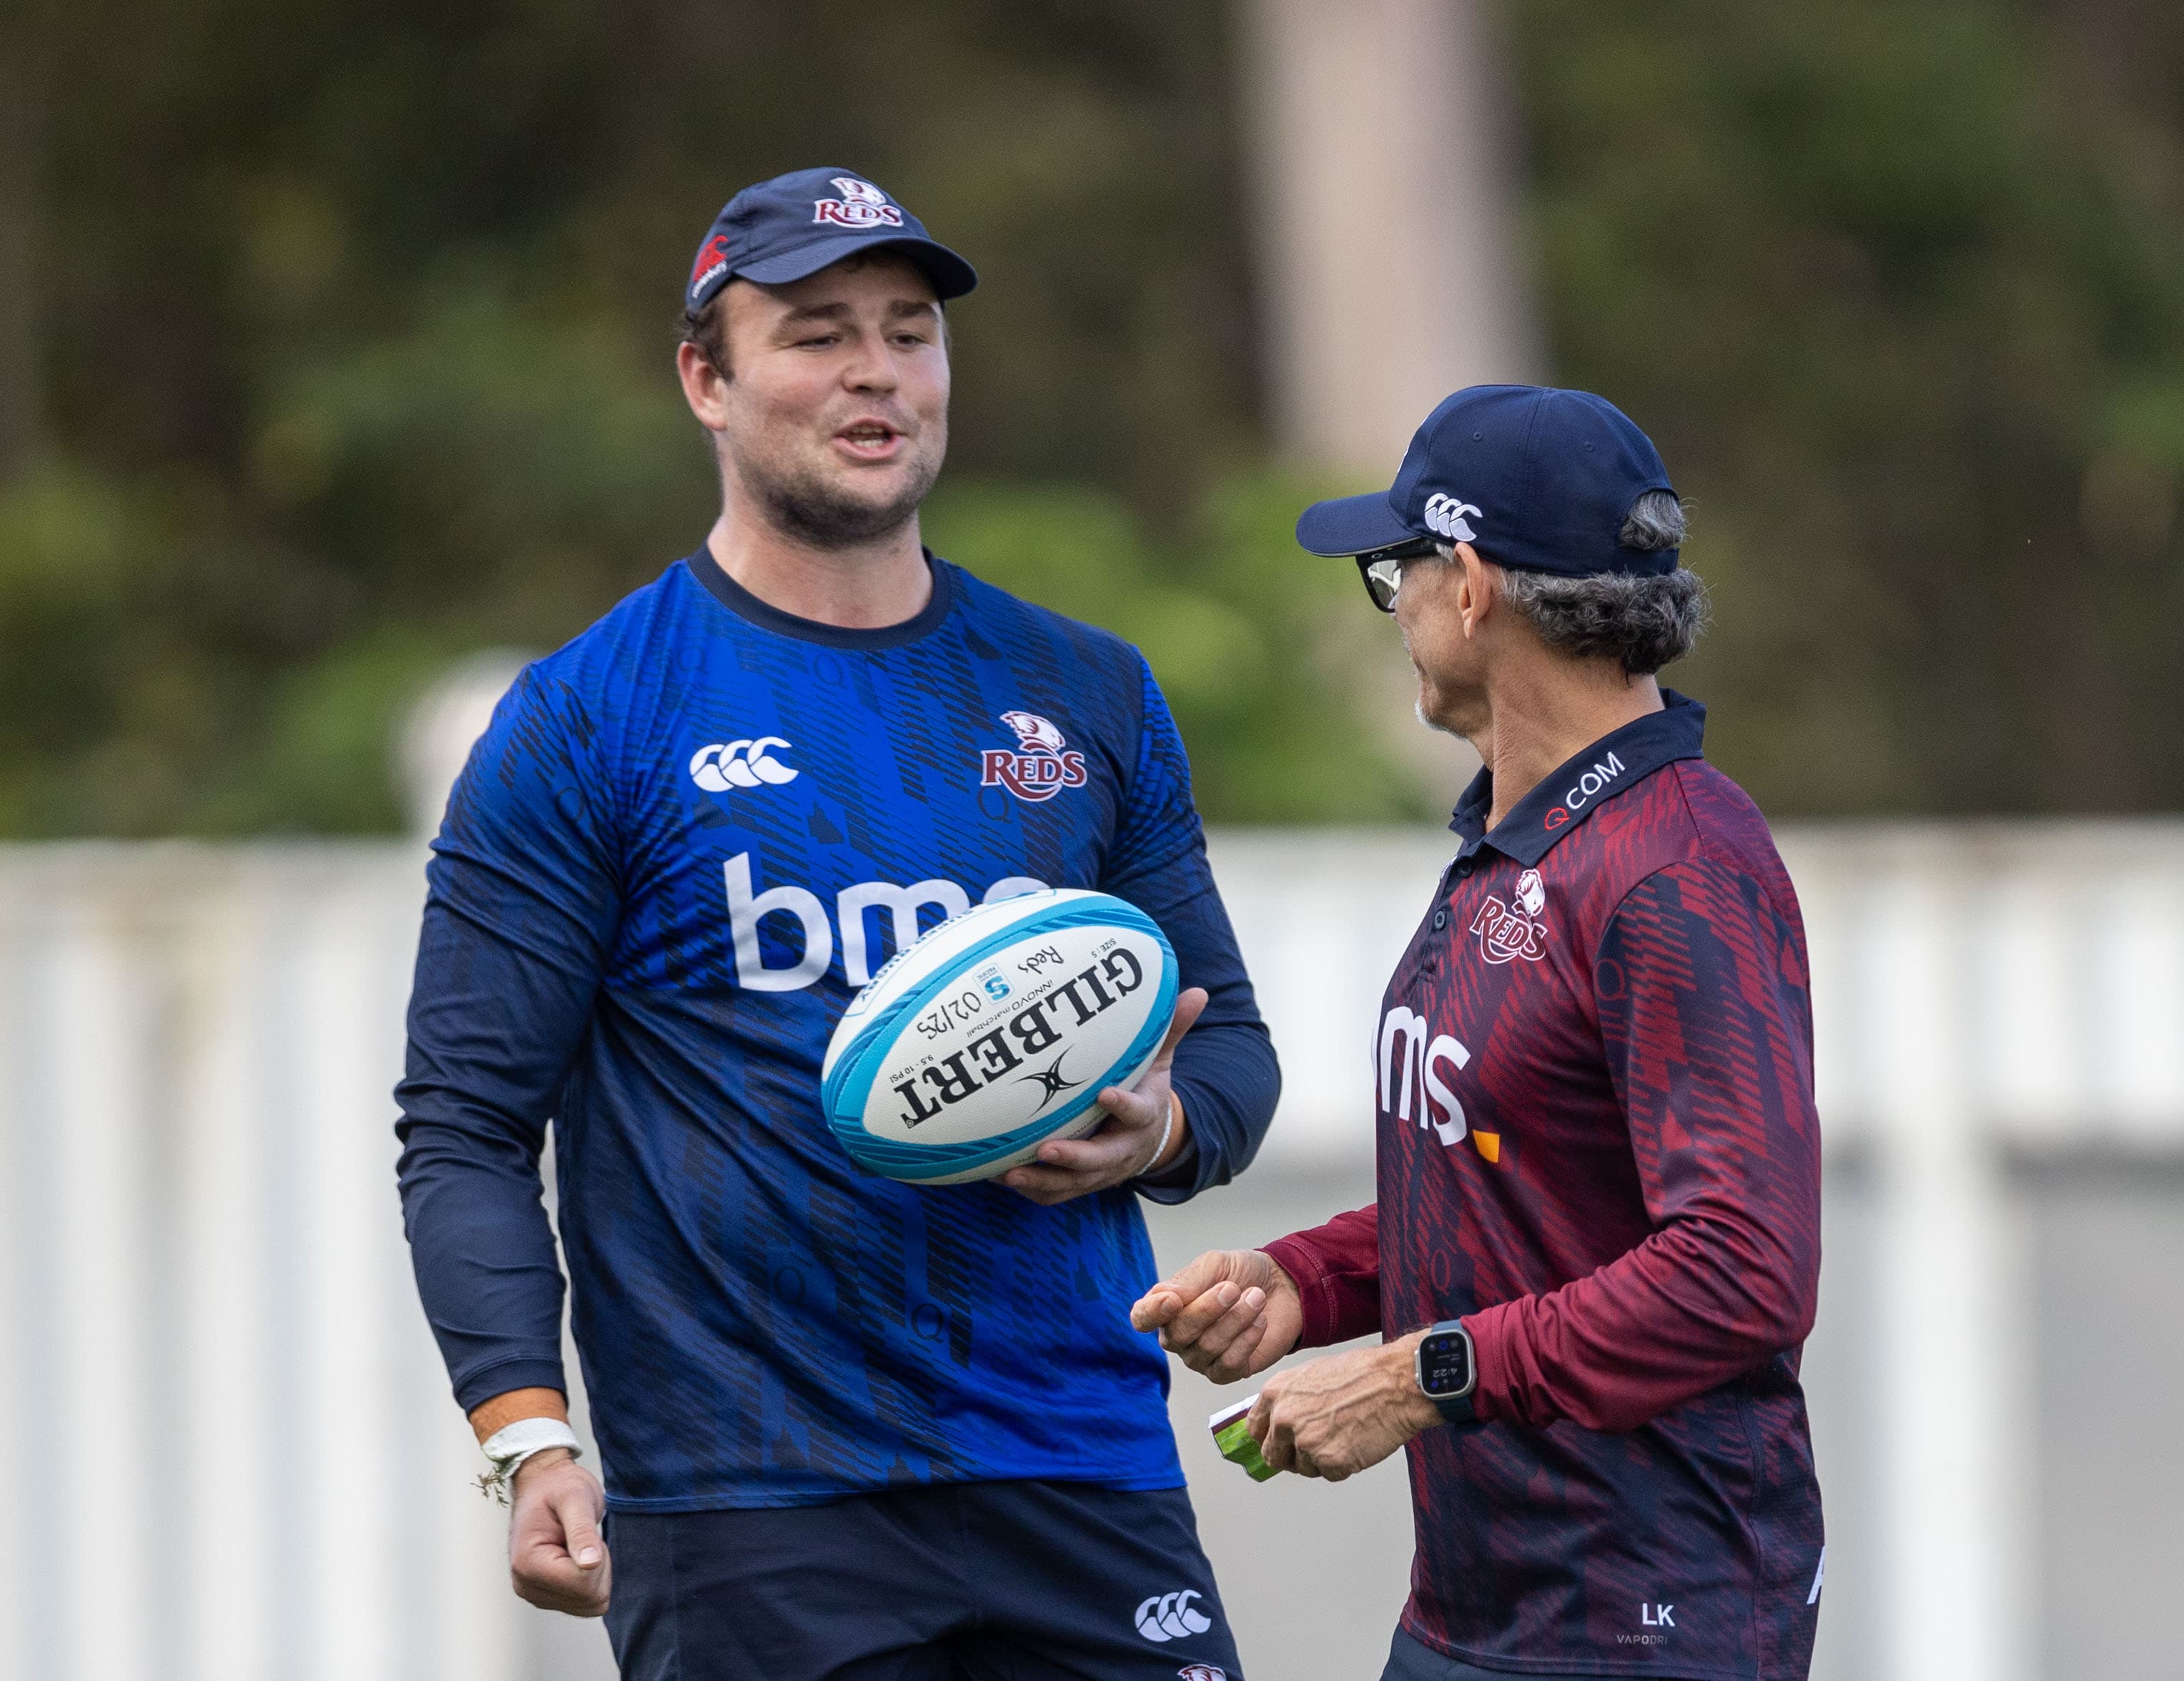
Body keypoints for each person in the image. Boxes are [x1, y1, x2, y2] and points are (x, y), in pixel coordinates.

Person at [395, 167, 1274, 1681]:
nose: (874, 368)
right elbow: (464, 1125)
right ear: (705, 378)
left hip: (1076, 1460)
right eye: (813, 331)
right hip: (750, 1503)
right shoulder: (590, 718)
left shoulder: (1085, 690)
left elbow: (1233, 1053)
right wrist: (524, 1437)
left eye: (909, 329)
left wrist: (1161, 1132)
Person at [1132, 385, 1825, 1680]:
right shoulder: (1516, 839)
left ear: (1464, 585)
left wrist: (1412, 1379)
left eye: (1389, 571)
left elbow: (1743, 1270)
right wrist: (1311, 1282)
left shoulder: (1676, 862)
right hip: (1482, 1617)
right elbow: (1533, 1200)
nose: (1388, 609)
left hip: (1643, 1624)